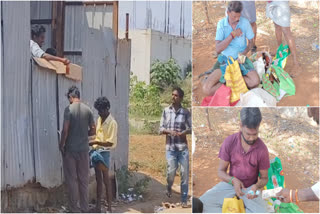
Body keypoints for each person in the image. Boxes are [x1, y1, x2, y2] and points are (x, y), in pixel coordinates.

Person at [199, 107, 270, 213]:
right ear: (241, 126)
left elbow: (264, 178)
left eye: (255, 134)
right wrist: (234, 181)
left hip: (250, 189)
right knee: (202, 203)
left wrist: (256, 186)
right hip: (231, 184)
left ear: (259, 127)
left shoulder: (262, 149)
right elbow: (221, 171)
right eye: (248, 134)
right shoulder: (230, 142)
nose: (251, 138)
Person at [202, 1, 259, 97]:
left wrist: (244, 53)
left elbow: (251, 42)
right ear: (227, 13)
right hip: (225, 60)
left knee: (255, 81)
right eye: (233, 17)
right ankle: (233, 81)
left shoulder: (244, 22)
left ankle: (228, 81)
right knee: (207, 90)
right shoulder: (221, 24)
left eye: (238, 16)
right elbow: (218, 49)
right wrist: (232, 36)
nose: (237, 19)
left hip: (240, 60)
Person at [59, 86, 96, 213]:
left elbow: (65, 130)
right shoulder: (88, 110)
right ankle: (84, 209)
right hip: (84, 151)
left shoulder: (68, 109)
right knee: (84, 180)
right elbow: (93, 130)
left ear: (70, 97)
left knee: (72, 180)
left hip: (70, 150)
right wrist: (83, 135)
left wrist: (61, 145)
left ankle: (74, 209)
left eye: (68, 98)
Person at [159, 87, 192, 208]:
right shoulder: (166, 111)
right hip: (171, 148)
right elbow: (160, 129)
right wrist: (169, 131)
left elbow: (191, 128)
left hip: (182, 148)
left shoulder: (186, 112)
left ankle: (184, 199)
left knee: (184, 174)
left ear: (181, 98)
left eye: (176, 95)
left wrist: (184, 132)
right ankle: (169, 187)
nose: (173, 97)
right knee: (170, 173)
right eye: (172, 95)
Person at [89, 97, 118, 213]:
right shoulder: (100, 119)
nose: (99, 113)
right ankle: (98, 207)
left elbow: (110, 142)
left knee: (106, 180)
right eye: (98, 111)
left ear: (107, 108)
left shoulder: (112, 123)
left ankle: (109, 207)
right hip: (96, 151)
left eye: (101, 110)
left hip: (104, 152)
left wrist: (95, 142)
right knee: (98, 179)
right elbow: (96, 134)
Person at [266, 1, 301, 77]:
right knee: (277, 25)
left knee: (286, 32)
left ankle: (296, 63)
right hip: (271, 2)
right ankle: (279, 49)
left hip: (281, 2)